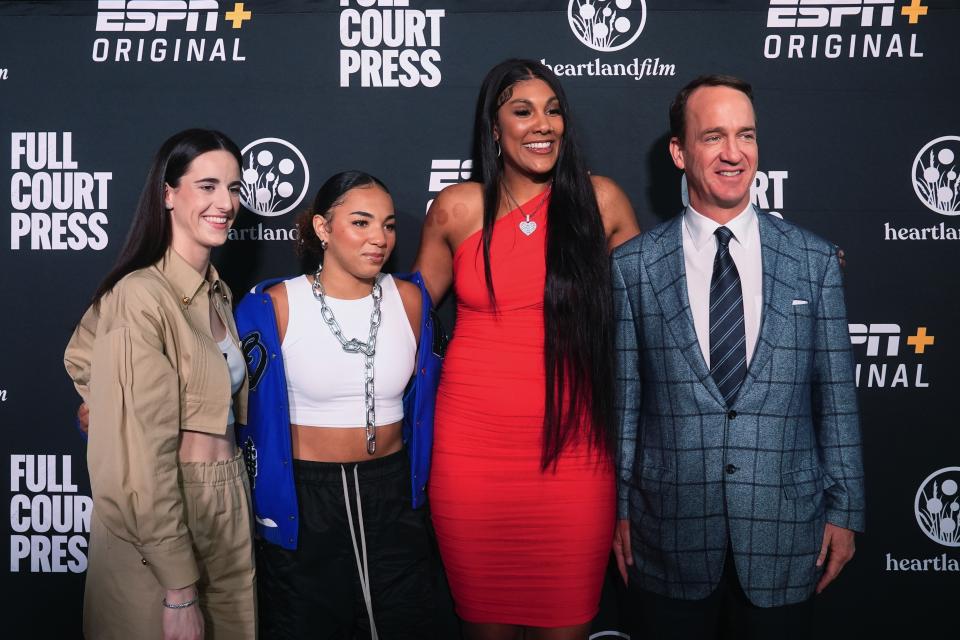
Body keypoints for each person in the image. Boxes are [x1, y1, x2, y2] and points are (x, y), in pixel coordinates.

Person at [610, 74, 865, 639]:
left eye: (746, 136)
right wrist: (619, 509)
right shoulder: (633, 267)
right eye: (713, 137)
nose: (734, 153)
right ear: (679, 151)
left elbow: (837, 399)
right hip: (667, 535)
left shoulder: (813, 261)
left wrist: (846, 511)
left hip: (785, 533)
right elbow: (626, 403)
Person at [414, 59, 639, 640]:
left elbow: (658, 302)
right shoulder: (458, 207)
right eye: (522, 111)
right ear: (494, 129)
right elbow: (403, 313)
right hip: (471, 459)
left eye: (553, 109)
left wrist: (774, 267)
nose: (543, 125)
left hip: (576, 455)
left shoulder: (601, 201)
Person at [63, 129, 256, 640]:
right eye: (208, 186)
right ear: (168, 194)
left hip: (228, 500)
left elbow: (90, 357)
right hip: (165, 510)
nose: (225, 203)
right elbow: (142, 459)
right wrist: (178, 589)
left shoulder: (217, 293)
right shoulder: (139, 295)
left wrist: (105, 402)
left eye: (234, 189)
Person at [234, 171, 444, 639]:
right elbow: (226, 400)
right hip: (306, 498)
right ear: (322, 229)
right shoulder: (274, 305)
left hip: (393, 495)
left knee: (404, 624)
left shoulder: (410, 300)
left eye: (388, 226)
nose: (379, 239)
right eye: (361, 223)